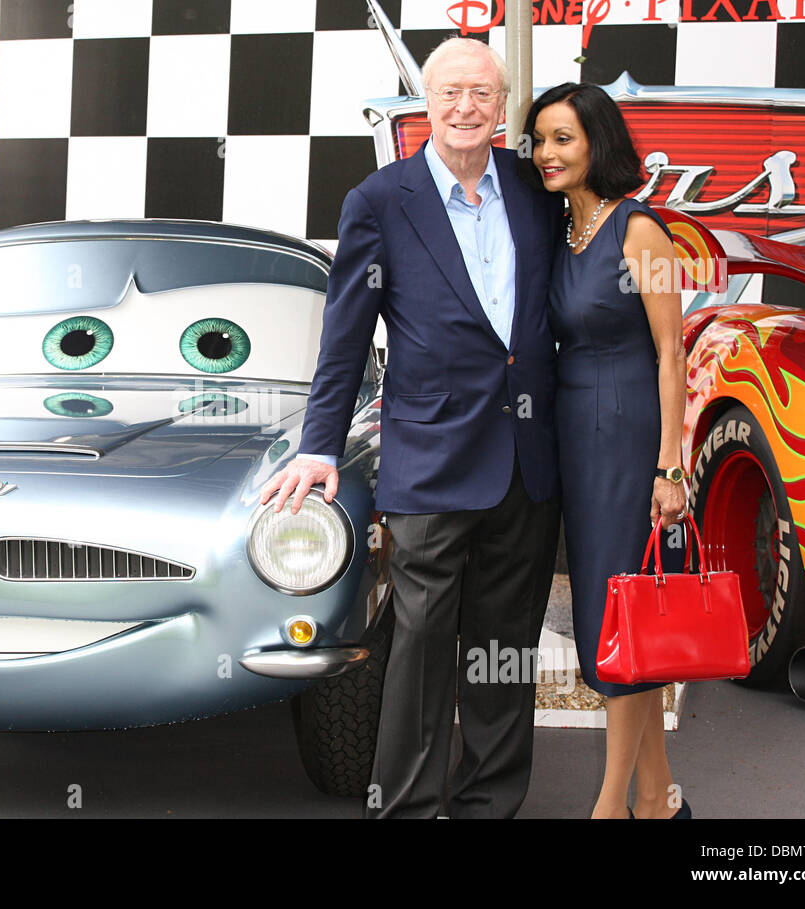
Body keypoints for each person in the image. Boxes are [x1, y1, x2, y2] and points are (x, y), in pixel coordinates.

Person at [260, 37, 563, 819]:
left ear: (502, 109)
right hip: (430, 462)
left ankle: (490, 802)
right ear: (425, 106)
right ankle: (408, 807)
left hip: (527, 464)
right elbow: (345, 335)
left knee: (502, 652)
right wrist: (319, 445)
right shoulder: (380, 200)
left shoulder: (534, 191)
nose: (467, 108)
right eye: (452, 93)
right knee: (423, 647)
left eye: (482, 95)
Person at [525, 82, 691, 819]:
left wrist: (670, 463)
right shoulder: (561, 234)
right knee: (620, 630)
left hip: (629, 443)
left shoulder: (640, 230)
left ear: (598, 141)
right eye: (537, 139)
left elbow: (671, 353)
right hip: (574, 441)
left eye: (563, 137)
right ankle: (656, 799)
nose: (546, 153)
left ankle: (608, 807)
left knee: (619, 627)